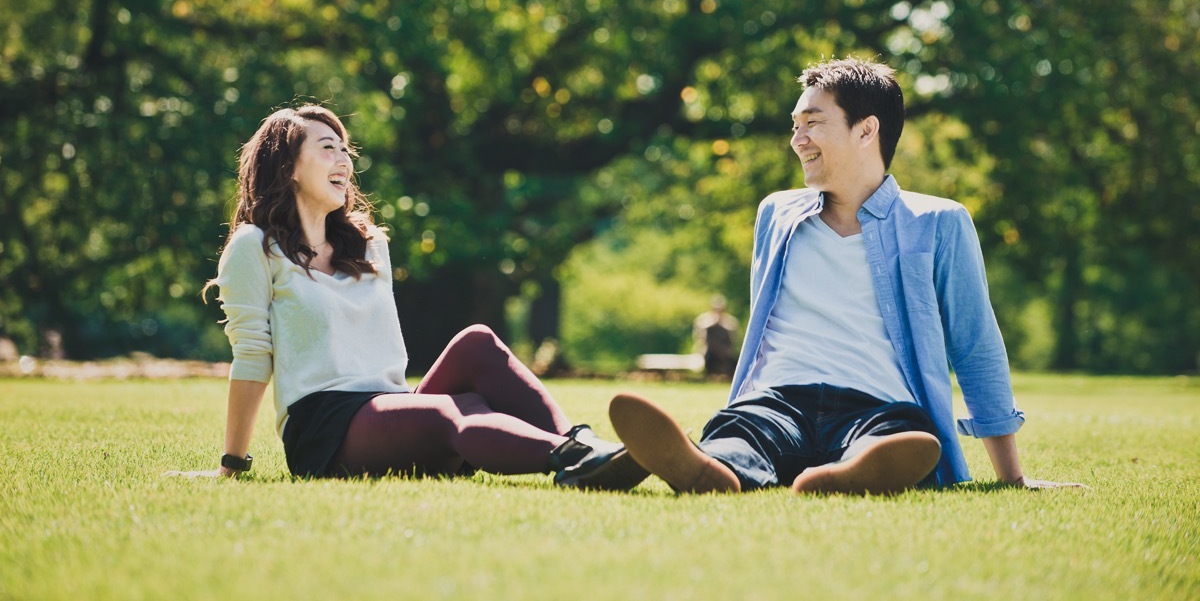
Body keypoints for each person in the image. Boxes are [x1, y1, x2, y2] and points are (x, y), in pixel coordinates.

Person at [609, 57, 1085, 495]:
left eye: (813, 123)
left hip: (878, 406)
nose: (798, 139)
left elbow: (975, 343)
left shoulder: (938, 222)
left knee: (899, 437)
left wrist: (1013, 476)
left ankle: (855, 473)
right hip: (779, 397)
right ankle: (713, 468)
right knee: (745, 431)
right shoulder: (776, 214)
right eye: (795, 126)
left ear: (866, 130)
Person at [186, 104, 647, 490]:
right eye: (327, 149)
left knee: (477, 341)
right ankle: (572, 456)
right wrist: (232, 463)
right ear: (286, 167)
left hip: (391, 407)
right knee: (454, 410)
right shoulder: (254, 246)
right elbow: (252, 356)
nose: (343, 160)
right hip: (326, 428)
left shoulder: (368, 246)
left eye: (345, 150)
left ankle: (581, 444)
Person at [692, 295, 738, 378]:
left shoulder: (730, 321)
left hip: (725, 354)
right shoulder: (704, 319)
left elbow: (733, 338)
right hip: (709, 352)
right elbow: (699, 336)